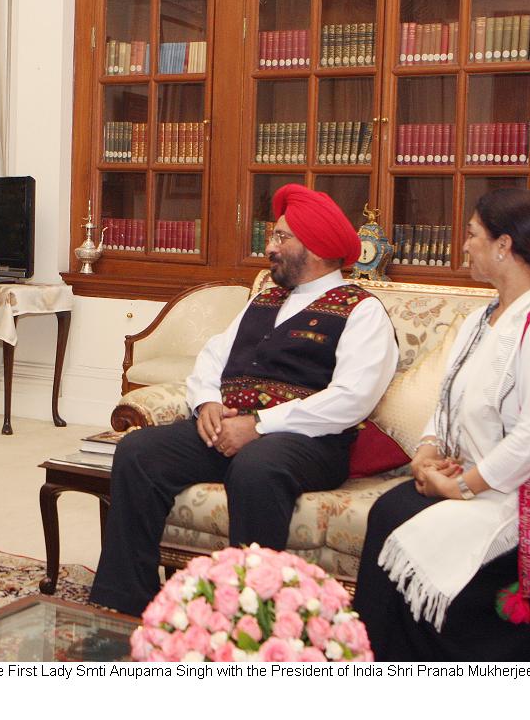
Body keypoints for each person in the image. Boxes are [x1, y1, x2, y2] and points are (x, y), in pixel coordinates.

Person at [353, 188, 530, 660]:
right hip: (487, 481)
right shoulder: (480, 318)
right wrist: (425, 454)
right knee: (390, 509)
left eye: (472, 235)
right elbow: (447, 404)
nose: (464, 245)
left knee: (403, 522)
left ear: (504, 245)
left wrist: (461, 488)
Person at [89, 184, 399, 616]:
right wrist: (207, 404)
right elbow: (212, 358)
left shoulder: (361, 310)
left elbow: (352, 399)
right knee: (139, 451)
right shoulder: (263, 298)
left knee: (258, 466)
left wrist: (257, 426)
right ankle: (124, 603)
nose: (270, 247)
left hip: (308, 442)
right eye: (273, 236)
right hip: (229, 427)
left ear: (316, 246)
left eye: (280, 238)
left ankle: (247, 617)